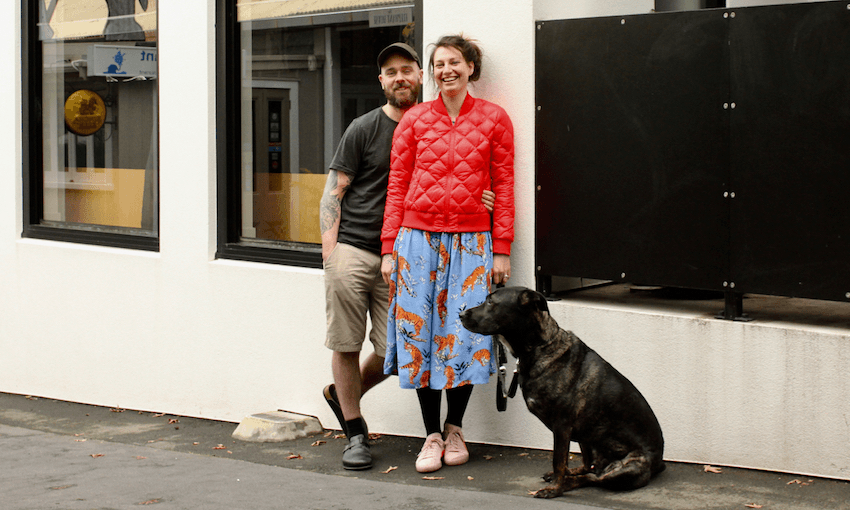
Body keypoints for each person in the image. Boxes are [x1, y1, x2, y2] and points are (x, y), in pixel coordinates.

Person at [320, 42, 494, 471]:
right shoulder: (364, 128)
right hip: (357, 250)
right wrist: (331, 256)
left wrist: (479, 197)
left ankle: (340, 395)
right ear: (381, 81)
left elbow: (458, 170)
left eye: (407, 70)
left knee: (396, 349)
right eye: (390, 72)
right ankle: (355, 433)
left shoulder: (431, 122)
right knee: (345, 342)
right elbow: (334, 191)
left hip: (410, 253)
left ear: (421, 75)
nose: (399, 78)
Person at [380, 34, 515, 474]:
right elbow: (397, 186)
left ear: (470, 67)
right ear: (431, 73)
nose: (446, 71)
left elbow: (506, 185)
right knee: (420, 334)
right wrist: (388, 249)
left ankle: (455, 427)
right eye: (438, 64)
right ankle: (430, 434)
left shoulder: (495, 120)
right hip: (416, 241)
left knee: (466, 335)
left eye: (454, 62)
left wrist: (501, 249)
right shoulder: (415, 120)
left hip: (471, 244)